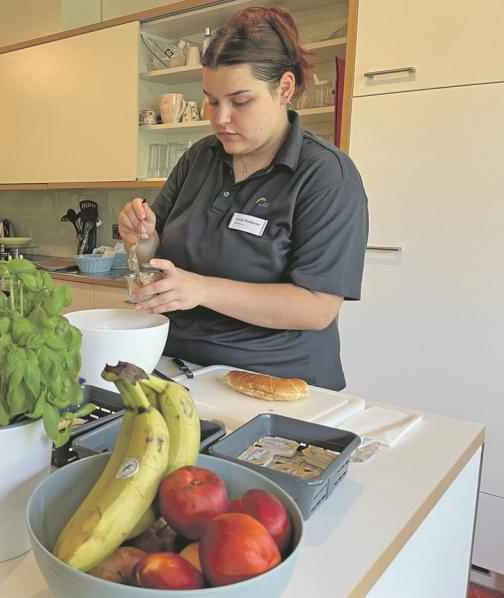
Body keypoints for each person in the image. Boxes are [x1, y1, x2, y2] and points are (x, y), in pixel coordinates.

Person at [119, 7, 369, 391]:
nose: (220, 118)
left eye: (239, 101)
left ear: (284, 89)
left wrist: (201, 289)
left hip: (277, 381)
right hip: (177, 367)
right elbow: (154, 255)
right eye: (212, 101)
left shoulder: (327, 177)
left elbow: (317, 308)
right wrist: (141, 236)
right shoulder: (200, 157)